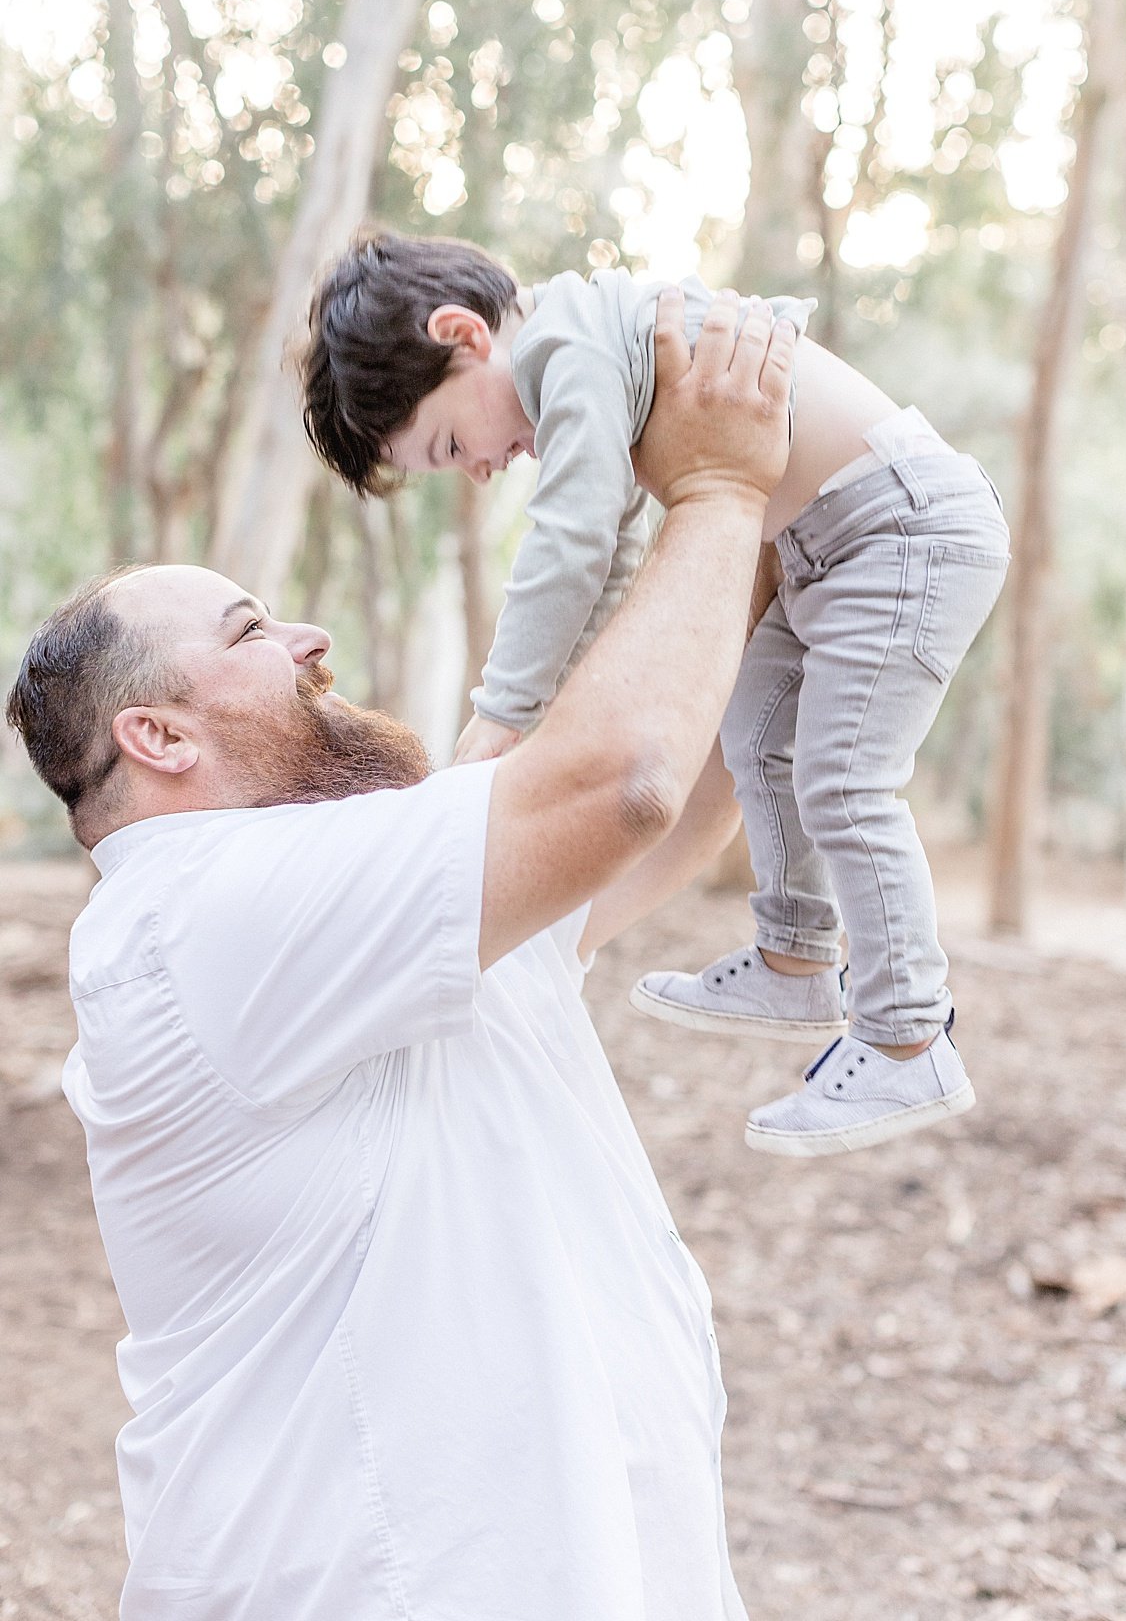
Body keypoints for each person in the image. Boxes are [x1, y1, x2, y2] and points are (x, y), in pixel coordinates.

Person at [5, 292, 791, 1621]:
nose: (311, 641)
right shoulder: (201, 917)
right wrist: (714, 488)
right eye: (253, 634)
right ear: (162, 740)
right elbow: (626, 786)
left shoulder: (347, 899)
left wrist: (765, 544)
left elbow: (683, 817)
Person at [301, 231, 1011, 1159]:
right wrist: (565, 704)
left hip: (902, 532)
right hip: (828, 549)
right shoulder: (597, 347)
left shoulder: (566, 346)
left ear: (463, 334)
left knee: (843, 778)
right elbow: (619, 560)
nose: (479, 468)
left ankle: (907, 1035)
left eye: (450, 443)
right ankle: (799, 959)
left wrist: (505, 709)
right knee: (759, 740)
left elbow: (572, 541)